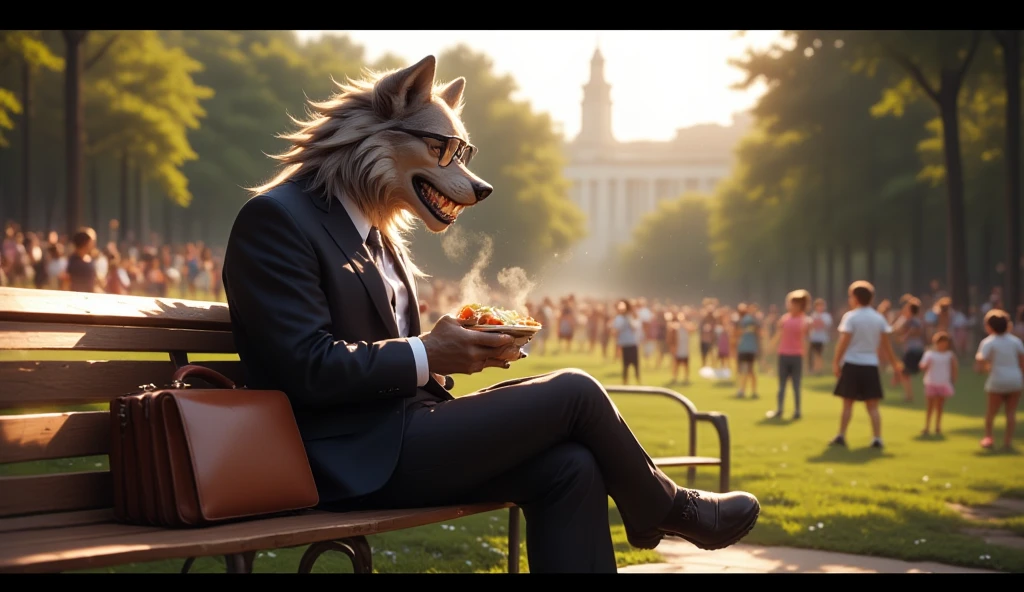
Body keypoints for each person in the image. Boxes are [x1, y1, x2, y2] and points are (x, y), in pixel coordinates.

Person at [221, 57, 757, 573]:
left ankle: (654, 509)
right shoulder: (277, 219)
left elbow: (395, 358)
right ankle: (663, 508)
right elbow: (306, 366)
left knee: (572, 467)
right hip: (343, 459)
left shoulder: (376, 234)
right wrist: (427, 351)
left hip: (398, 436)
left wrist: (455, 352)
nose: (466, 179)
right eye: (442, 151)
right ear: (382, 131)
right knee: (575, 390)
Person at [830, 281, 902, 449]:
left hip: (852, 364)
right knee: (873, 406)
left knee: (847, 404)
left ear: (855, 298)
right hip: (870, 365)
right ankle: (877, 438)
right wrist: (895, 364)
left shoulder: (851, 317)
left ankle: (841, 435)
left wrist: (836, 362)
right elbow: (886, 345)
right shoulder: (878, 318)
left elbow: (843, 342)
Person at [975, 309, 1023, 450]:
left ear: (989, 326)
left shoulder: (989, 342)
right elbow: (1022, 361)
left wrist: (984, 367)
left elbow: (981, 359)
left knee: (991, 413)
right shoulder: (1016, 341)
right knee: (1011, 413)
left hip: (997, 380)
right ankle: (1007, 442)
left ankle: (989, 438)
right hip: (1015, 380)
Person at [767, 290, 811, 420]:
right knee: (781, 385)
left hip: (797, 356)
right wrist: (770, 347)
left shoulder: (804, 321)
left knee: (796, 385)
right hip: (783, 355)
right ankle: (779, 409)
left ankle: (797, 410)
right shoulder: (785, 319)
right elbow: (779, 335)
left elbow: (805, 341)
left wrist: (807, 360)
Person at [919, 331, 957, 436]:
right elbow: (923, 365)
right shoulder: (930, 354)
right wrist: (924, 366)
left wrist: (953, 380)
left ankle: (937, 426)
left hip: (943, 382)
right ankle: (927, 426)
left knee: (940, 406)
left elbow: (954, 368)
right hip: (931, 381)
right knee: (930, 406)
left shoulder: (949, 355)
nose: (943, 345)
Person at [897, 298, 926, 403]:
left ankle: (909, 395)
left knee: (905, 373)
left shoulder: (913, 321)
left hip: (913, 350)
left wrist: (905, 336)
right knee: (906, 372)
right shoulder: (912, 320)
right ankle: (909, 394)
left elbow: (916, 331)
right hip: (914, 349)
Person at [60, 228, 100, 293]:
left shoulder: (91, 259)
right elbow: (66, 283)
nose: (92, 244)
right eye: (91, 241)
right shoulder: (72, 261)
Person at [734, 303, 761, 399]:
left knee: (745, 370)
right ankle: (753, 391)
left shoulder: (745, 320)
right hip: (750, 348)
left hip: (745, 348)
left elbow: (738, 333)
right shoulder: (753, 320)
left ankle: (742, 390)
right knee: (750, 370)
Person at [613, 299, 642, 385]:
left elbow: (635, 327)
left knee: (635, 363)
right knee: (625, 364)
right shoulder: (619, 318)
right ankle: (625, 380)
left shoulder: (630, 317)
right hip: (625, 343)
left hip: (632, 342)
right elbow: (616, 330)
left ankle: (638, 379)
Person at [669, 311, 696, 385]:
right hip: (678, 350)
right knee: (676, 365)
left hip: (685, 350)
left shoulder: (686, 327)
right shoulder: (675, 327)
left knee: (686, 365)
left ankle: (686, 378)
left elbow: (693, 329)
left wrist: (685, 324)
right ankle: (674, 378)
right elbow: (670, 328)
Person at [808, 298, 833, 375]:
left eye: (821, 306)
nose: (820, 308)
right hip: (813, 338)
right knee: (811, 354)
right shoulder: (813, 315)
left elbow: (825, 325)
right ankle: (812, 369)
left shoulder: (826, 316)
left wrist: (819, 321)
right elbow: (811, 326)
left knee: (819, 354)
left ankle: (819, 369)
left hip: (822, 338)